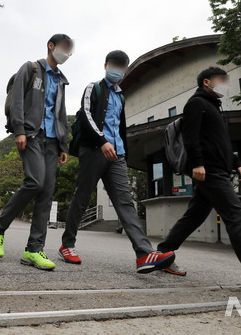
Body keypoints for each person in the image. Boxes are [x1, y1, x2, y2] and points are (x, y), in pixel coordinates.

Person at [155, 66, 241, 295]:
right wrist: (197, 163)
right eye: (221, 79)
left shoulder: (214, 108)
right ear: (206, 83)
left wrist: (237, 162)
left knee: (194, 216)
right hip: (209, 170)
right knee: (235, 213)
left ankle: (162, 255)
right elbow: (191, 137)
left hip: (218, 169)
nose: (225, 83)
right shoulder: (196, 103)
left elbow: (222, 143)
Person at [60, 51, 176, 273]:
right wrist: (102, 141)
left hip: (118, 155)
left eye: (123, 66)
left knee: (125, 203)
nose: (119, 69)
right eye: (115, 65)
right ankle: (67, 245)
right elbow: (85, 116)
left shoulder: (121, 96)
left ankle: (143, 255)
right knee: (82, 197)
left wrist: (123, 152)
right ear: (105, 65)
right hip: (94, 150)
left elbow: (120, 128)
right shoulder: (93, 88)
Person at [0, 34, 72, 270]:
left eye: (70, 50)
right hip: (32, 134)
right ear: (51, 46)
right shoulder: (31, 68)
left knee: (46, 192)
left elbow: (61, 113)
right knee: (34, 182)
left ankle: (34, 250)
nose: (67, 53)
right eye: (64, 48)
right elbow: (17, 103)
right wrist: (19, 130)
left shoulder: (62, 80)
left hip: (53, 141)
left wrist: (63, 145)